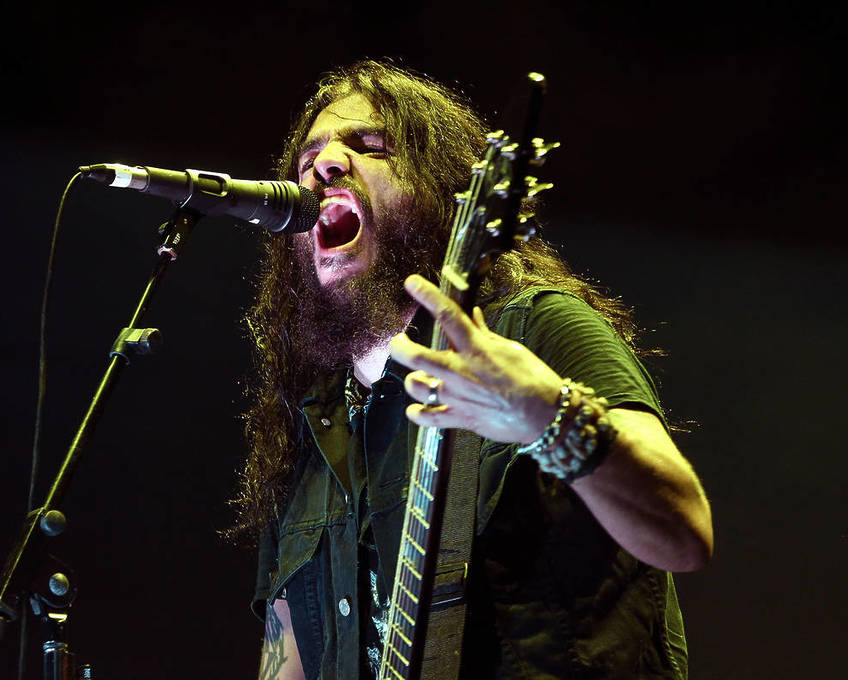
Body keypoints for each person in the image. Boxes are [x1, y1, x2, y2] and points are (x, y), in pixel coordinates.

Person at [231, 60, 713, 680]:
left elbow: (685, 532)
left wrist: (548, 416)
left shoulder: (535, 330)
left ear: (443, 191)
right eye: (309, 158)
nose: (325, 165)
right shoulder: (308, 426)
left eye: (370, 146)